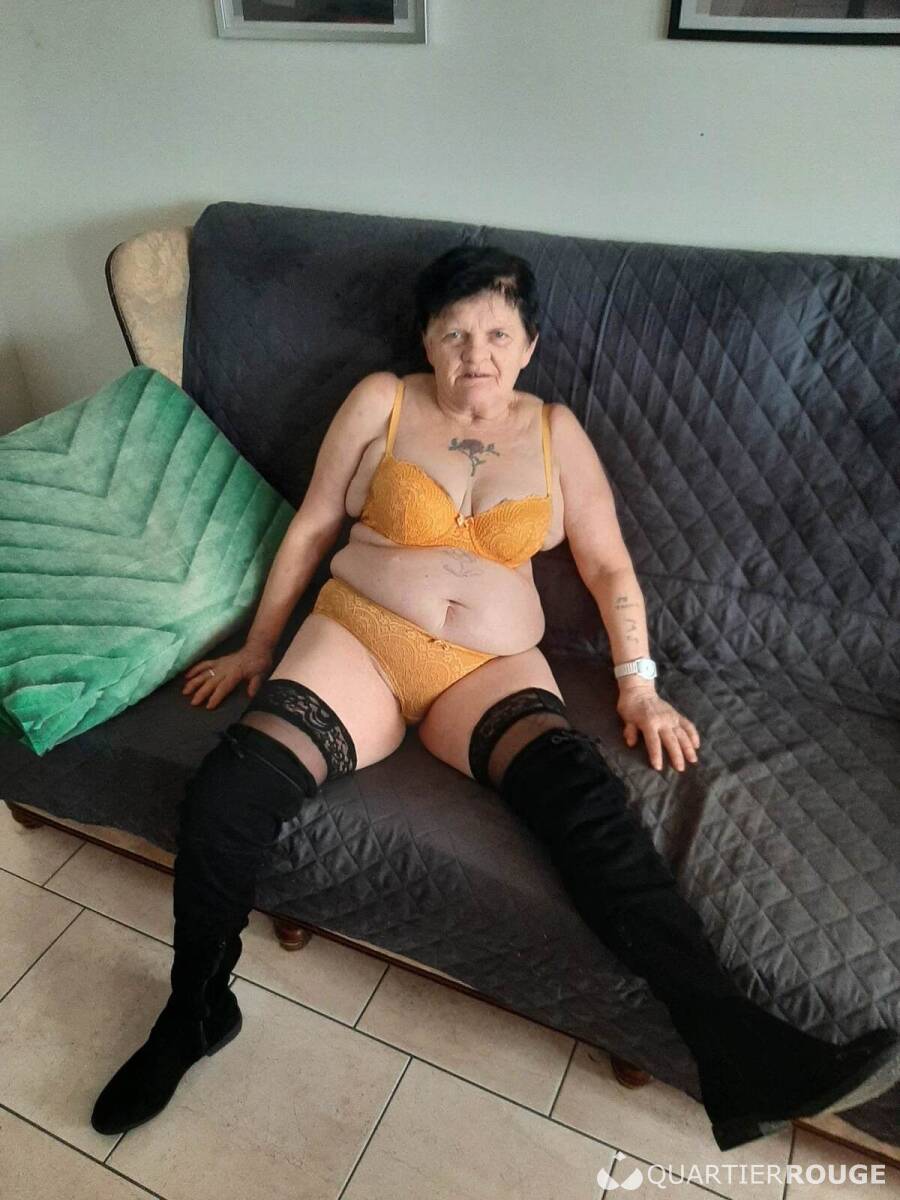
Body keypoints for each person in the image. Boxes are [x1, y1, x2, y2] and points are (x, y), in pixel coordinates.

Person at [90, 245, 900, 1150]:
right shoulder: (381, 400)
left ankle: (733, 1046)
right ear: (427, 342)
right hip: (359, 638)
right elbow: (314, 522)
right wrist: (257, 646)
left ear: (529, 346)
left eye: (497, 335)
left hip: (488, 668)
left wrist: (639, 686)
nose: (475, 353)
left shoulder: (556, 432)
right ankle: (196, 1010)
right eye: (454, 334)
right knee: (232, 790)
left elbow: (607, 565)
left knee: (582, 802)